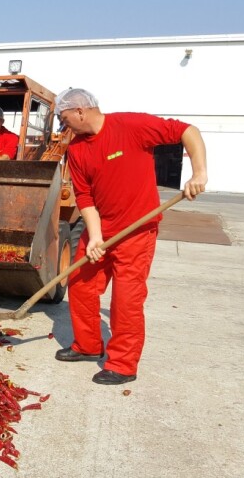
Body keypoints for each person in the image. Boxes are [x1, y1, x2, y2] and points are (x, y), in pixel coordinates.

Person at [53, 88, 208, 385]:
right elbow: (84, 196)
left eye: (64, 118)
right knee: (81, 285)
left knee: (126, 299)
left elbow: (188, 130)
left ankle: (123, 364)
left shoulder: (130, 126)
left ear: (80, 111)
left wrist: (198, 173)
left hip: (137, 231)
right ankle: (87, 346)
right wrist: (95, 236)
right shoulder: (76, 148)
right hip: (101, 228)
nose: (64, 126)